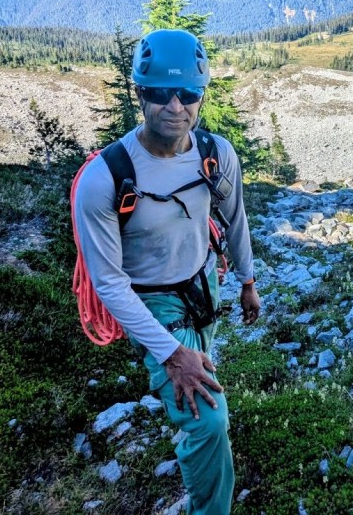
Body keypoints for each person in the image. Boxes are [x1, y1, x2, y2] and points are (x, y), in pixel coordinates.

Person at [73, 29, 261, 515]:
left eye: (189, 94)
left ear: (201, 95)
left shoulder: (215, 154)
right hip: (152, 301)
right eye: (159, 93)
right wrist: (172, 352)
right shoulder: (105, 178)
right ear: (139, 94)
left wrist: (246, 280)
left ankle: (194, 460)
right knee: (207, 419)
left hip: (204, 286)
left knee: (200, 386)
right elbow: (109, 281)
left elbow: (234, 217)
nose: (175, 106)